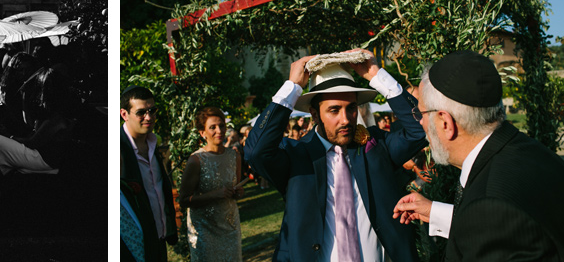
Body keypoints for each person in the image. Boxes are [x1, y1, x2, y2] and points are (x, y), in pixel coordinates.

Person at [244, 49, 425, 262]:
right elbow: (256, 152)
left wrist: (377, 75)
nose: (346, 119)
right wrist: (292, 88)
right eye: (334, 110)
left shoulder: (376, 146)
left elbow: (420, 129)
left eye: (351, 108)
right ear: (314, 113)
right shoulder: (296, 156)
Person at [392, 50, 564, 261]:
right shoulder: (528, 150)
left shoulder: (490, 207)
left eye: (421, 114)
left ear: (446, 123)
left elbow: (495, 219)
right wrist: (437, 213)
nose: (420, 123)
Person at [119, 85, 177, 262]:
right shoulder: (118, 147)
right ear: (124, 114)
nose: (149, 117)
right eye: (141, 112)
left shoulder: (153, 142)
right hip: (133, 245)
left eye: (152, 110)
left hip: (160, 238)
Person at [179, 107, 243, 261]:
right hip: (204, 231)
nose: (219, 130)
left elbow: (238, 187)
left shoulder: (234, 155)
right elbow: (183, 200)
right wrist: (215, 194)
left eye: (221, 125)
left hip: (230, 227)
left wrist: (238, 193)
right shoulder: (196, 160)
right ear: (202, 133)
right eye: (212, 127)